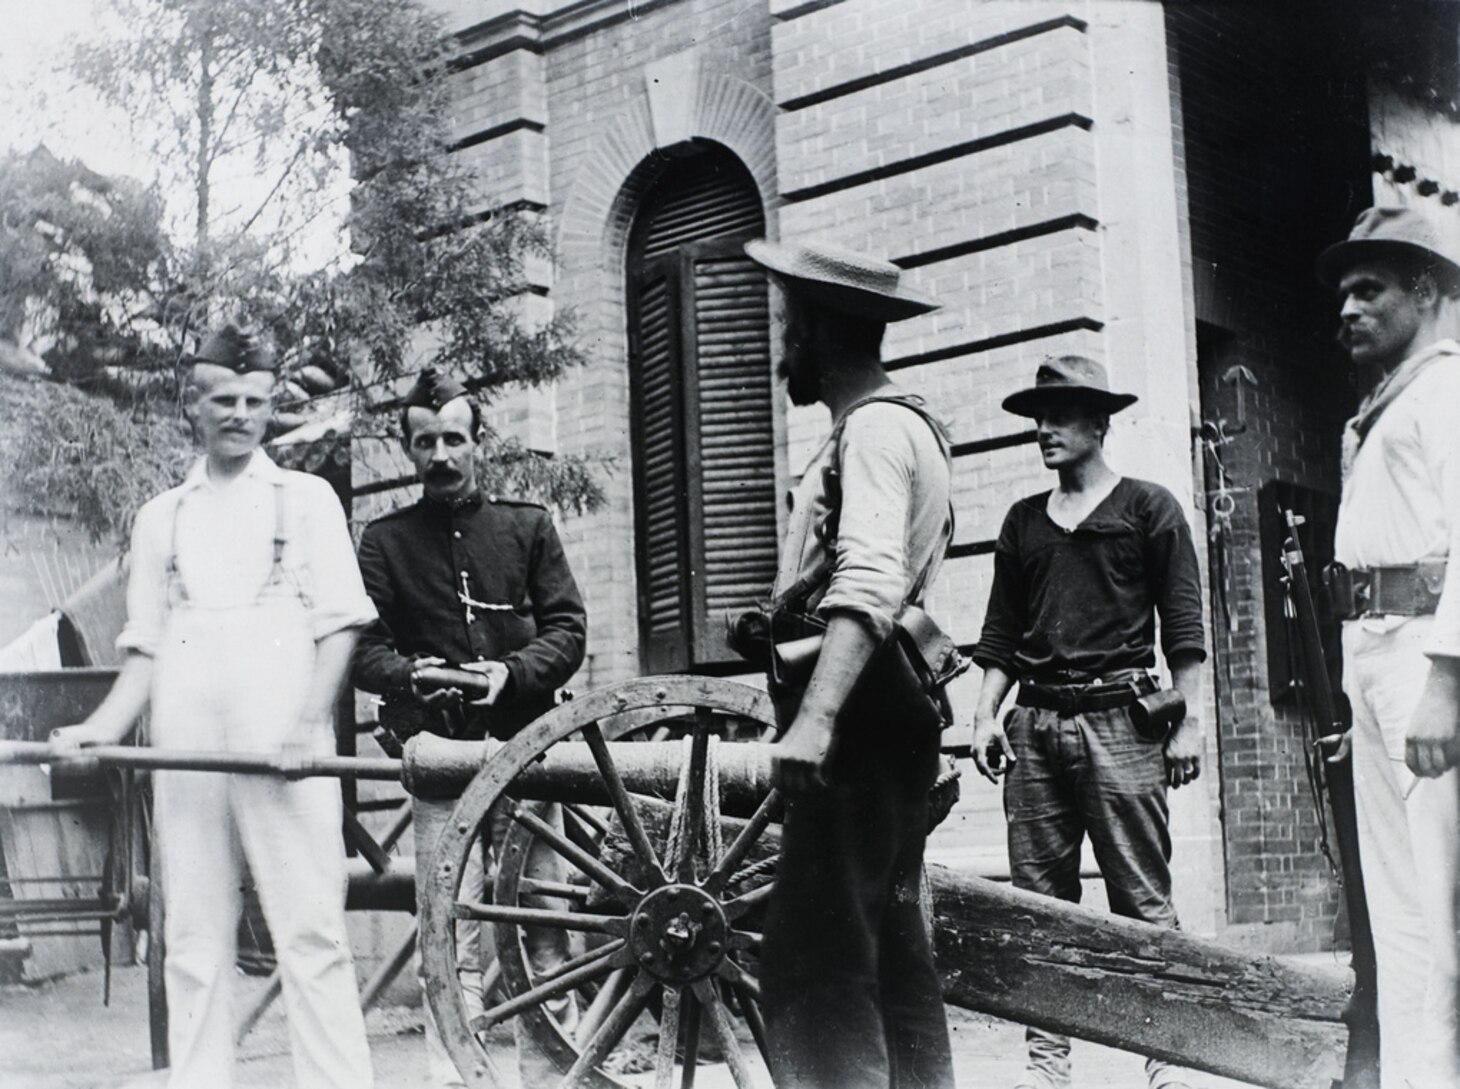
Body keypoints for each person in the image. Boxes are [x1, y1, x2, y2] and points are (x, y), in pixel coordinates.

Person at [51, 324, 376, 1089]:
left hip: (285, 748)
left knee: (312, 933)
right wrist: (96, 730)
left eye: (254, 401)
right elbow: (145, 650)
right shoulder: (161, 516)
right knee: (193, 935)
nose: (240, 414)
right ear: (192, 407)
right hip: (187, 746)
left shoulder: (306, 500)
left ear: (270, 408)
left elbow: (340, 627)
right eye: (223, 400)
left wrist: (305, 726)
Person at [743, 238, 957, 1089]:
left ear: (825, 331)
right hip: (895, 725)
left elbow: (869, 577)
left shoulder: (870, 431)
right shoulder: (911, 428)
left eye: (790, 329)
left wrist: (817, 718)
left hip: (859, 725)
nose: (782, 349)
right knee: (893, 957)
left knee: (816, 965)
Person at [969, 355, 1205, 1089]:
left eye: (1060, 415)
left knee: (1141, 902)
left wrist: (1189, 723)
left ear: (1098, 423)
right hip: (1035, 726)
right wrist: (984, 713)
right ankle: (1048, 1070)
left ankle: (1168, 1062)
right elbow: (1002, 635)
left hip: (1123, 725)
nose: (1043, 429)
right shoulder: (1022, 522)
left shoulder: (1150, 508)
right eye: (1038, 417)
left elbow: (1186, 631)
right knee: (1042, 908)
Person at [351, 366, 587, 1088]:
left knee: (543, 915)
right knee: (443, 922)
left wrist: (511, 673)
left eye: (455, 437)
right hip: (440, 755)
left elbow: (569, 628)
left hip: (527, 749)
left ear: (479, 441)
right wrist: (409, 674)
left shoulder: (527, 527)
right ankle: (454, 1076)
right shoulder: (384, 543)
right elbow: (363, 649)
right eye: (426, 442)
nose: (442, 455)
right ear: (411, 451)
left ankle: (555, 1076)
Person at [1316, 205, 1460, 1089]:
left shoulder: (1446, 391)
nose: (1347, 309)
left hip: (1424, 659)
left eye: (1369, 289)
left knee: (1440, 908)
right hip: (1374, 659)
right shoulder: (1379, 408)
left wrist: (1446, 681)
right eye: (1341, 294)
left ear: (1428, 289)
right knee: (1399, 913)